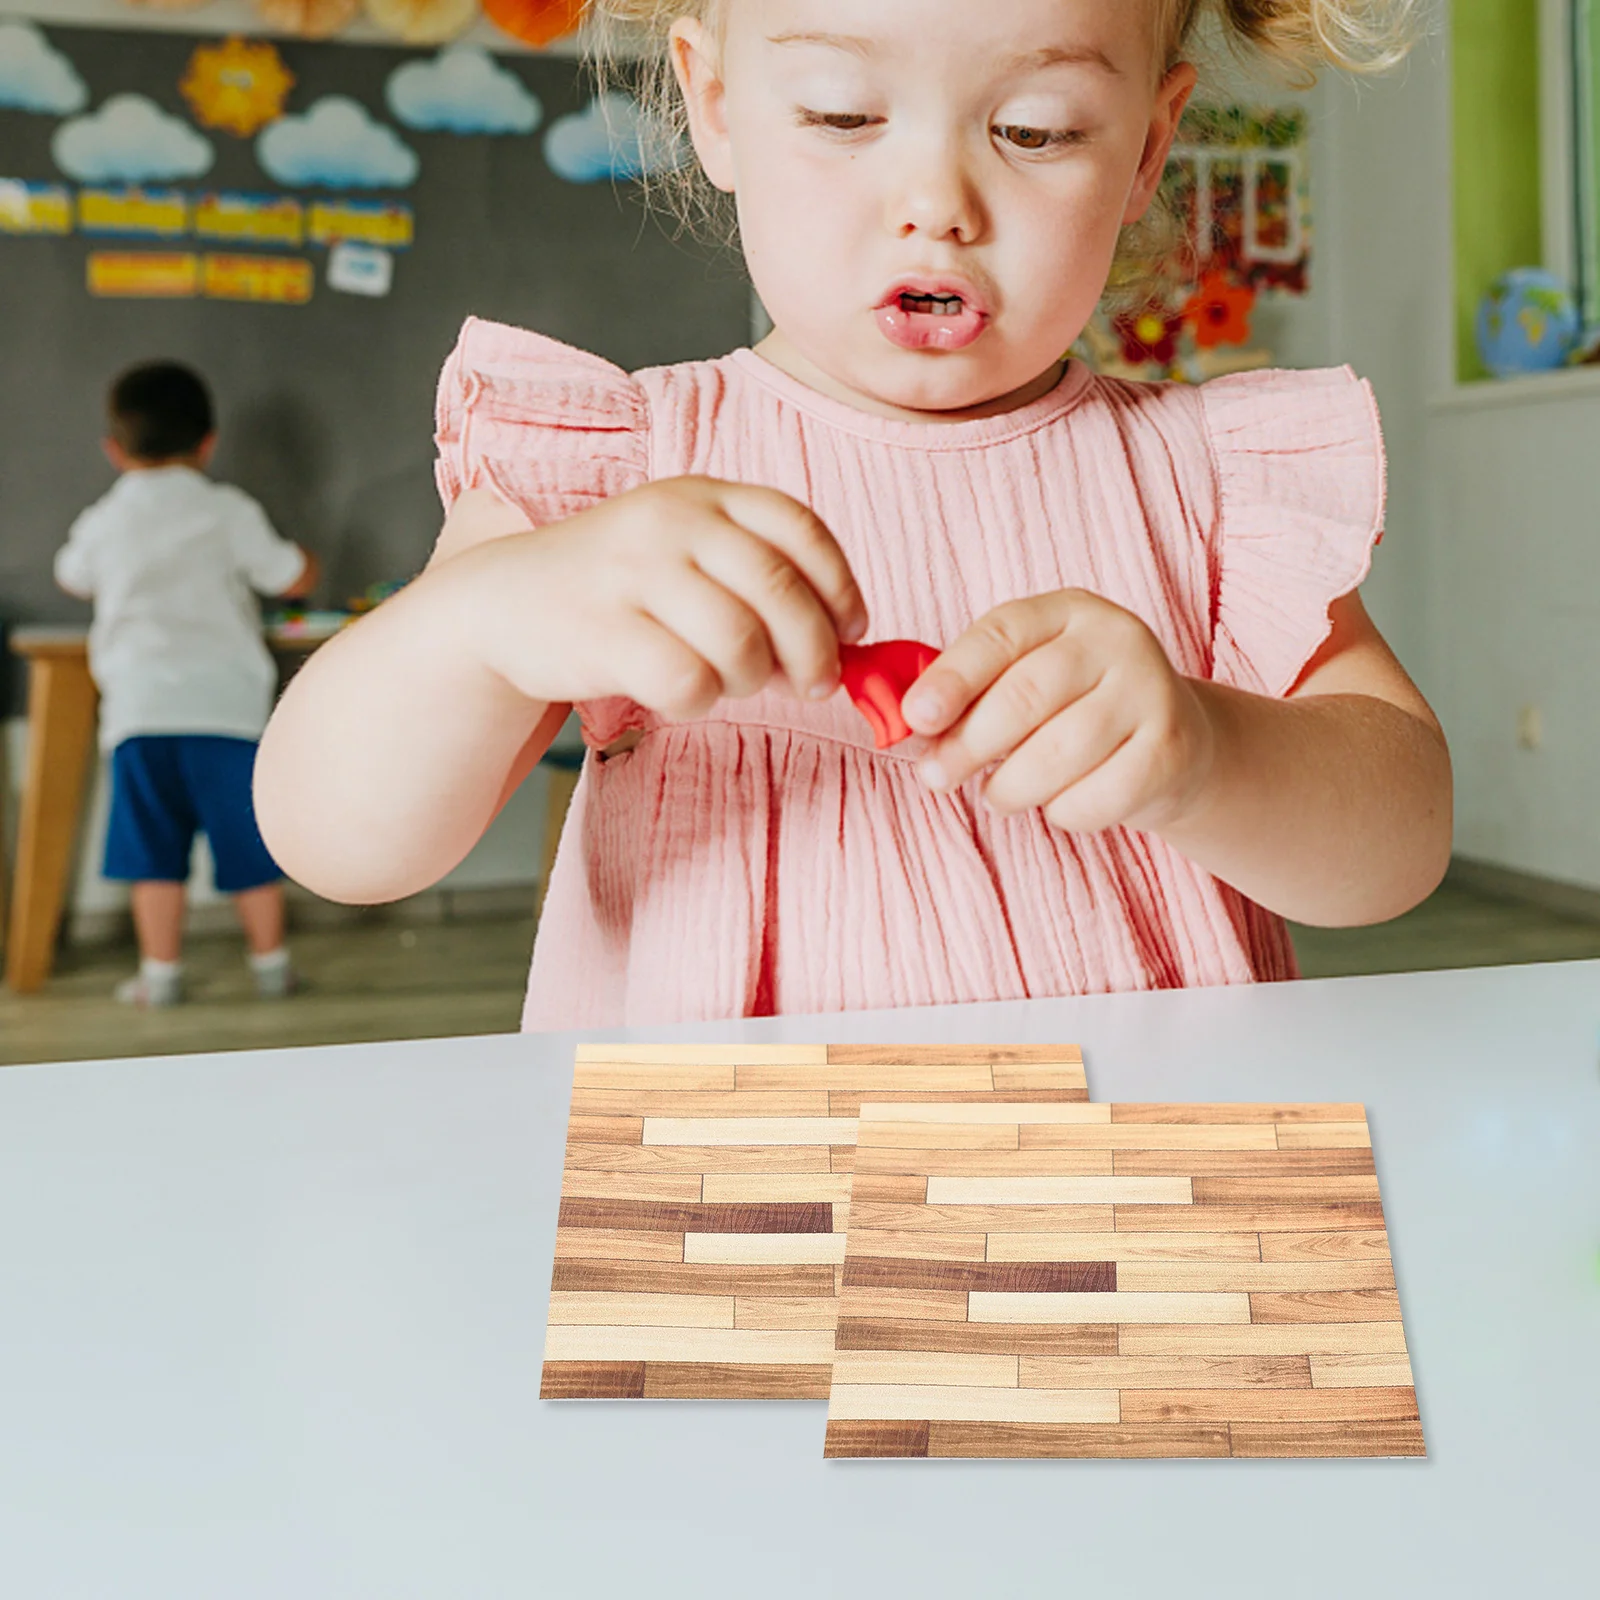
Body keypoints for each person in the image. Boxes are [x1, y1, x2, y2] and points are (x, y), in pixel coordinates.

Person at [255, 0, 1451, 1030]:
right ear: (715, 105)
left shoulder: (1205, 478)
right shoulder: (619, 468)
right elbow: (337, 841)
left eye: (1034, 130)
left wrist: (1208, 753)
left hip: (1139, 1174)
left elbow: (1398, 841)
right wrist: (488, 620)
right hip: (727, 1192)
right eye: (839, 114)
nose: (935, 203)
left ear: (1147, 146)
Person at [55, 361, 317, 1006]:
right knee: (248, 842)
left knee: (153, 852)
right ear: (208, 441)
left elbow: (71, 574)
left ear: (114, 449)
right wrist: (306, 560)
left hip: (141, 713)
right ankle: (271, 963)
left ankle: (161, 974)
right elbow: (288, 576)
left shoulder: (104, 517)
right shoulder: (228, 510)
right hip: (226, 708)